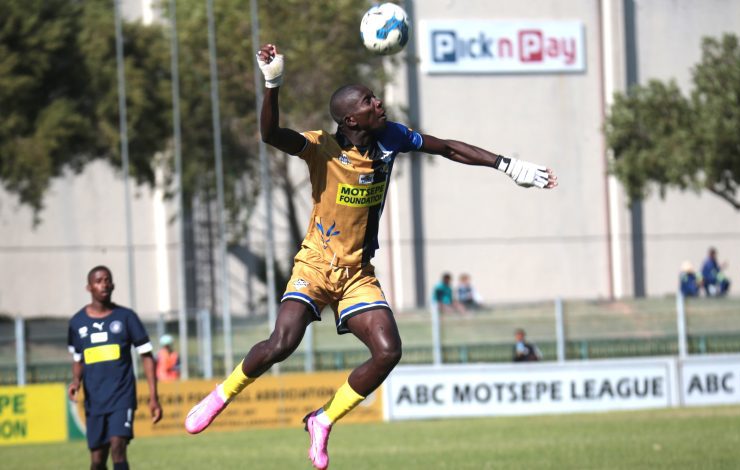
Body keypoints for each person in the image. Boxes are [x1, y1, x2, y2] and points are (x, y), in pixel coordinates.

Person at [184, 43, 557, 470]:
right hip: (316, 266)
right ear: (349, 119)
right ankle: (222, 394)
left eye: (373, 97)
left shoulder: (391, 138)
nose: (377, 102)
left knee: (388, 351)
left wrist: (508, 165)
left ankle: (322, 420)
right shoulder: (320, 146)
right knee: (281, 344)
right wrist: (273, 83)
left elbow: (448, 148)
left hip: (358, 273)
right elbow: (270, 134)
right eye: (367, 101)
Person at [67, 266, 162, 470]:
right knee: (97, 459)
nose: (104, 284)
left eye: (107, 280)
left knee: (118, 447)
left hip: (122, 396)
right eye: (99, 280)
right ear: (89, 287)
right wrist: (76, 381)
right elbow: (78, 359)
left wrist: (154, 396)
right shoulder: (77, 322)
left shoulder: (126, 317)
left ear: (113, 285)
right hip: (94, 400)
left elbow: (146, 356)